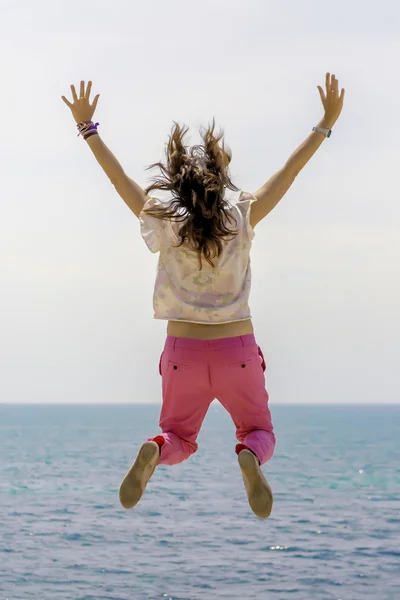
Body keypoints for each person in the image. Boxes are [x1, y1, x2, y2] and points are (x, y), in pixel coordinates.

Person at [62, 74, 344, 519]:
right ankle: (249, 455)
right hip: (237, 350)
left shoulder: (166, 226)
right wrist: (324, 124)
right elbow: (288, 173)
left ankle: (155, 452)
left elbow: (119, 182)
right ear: (220, 183)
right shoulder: (241, 218)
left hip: (183, 353)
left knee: (178, 436)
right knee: (257, 430)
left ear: (179, 188)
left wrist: (88, 129)